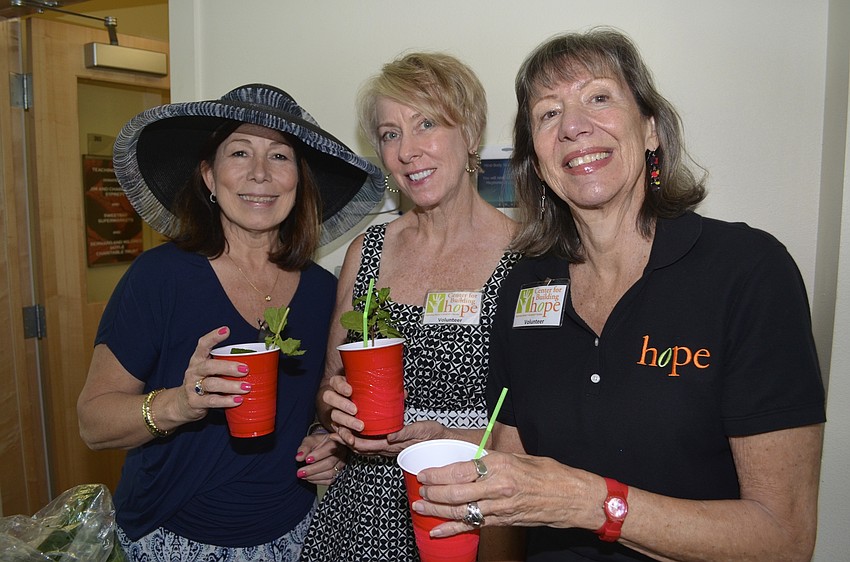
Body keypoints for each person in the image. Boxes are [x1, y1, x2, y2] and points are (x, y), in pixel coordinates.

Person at [412, 28, 827, 561]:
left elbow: (784, 539)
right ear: (536, 158)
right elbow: (507, 487)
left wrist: (590, 503)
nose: (575, 128)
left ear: (651, 128)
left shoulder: (747, 272)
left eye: (600, 98)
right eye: (548, 114)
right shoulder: (523, 284)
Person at [76, 84, 384, 562]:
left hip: (294, 534)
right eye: (239, 152)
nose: (260, 174)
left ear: (298, 182)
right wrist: (181, 403)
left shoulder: (324, 290)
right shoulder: (159, 278)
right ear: (209, 178)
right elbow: (93, 423)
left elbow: (314, 407)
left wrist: (327, 443)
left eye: (279, 157)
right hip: (172, 538)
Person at [299, 53, 524, 561]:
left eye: (426, 123)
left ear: (469, 133)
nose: (407, 151)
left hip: (466, 508)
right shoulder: (368, 251)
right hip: (359, 514)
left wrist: (447, 436)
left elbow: (545, 424)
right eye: (389, 133)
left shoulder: (528, 257)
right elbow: (330, 384)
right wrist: (332, 414)